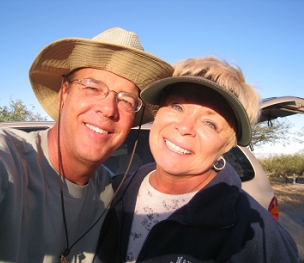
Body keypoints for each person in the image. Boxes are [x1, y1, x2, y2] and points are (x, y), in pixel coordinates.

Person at [0, 27, 173, 263]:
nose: (108, 109)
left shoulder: (115, 196)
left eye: (126, 100)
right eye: (92, 87)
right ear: (64, 93)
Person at [95, 57, 300, 263]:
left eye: (209, 123)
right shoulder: (114, 191)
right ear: (158, 112)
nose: (185, 127)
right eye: (177, 107)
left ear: (226, 145)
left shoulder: (255, 237)